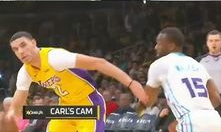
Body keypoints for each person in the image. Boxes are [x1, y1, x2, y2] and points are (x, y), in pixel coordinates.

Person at [7, 31, 148, 132]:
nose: (20, 51)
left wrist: (131, 83)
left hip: (88, 102)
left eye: (23, 45)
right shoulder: (25, 72)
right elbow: (19, 99)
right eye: (15, 49)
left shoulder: (55, 58)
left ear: (34, 42)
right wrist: (12, 114)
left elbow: (98, 63)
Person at [142, 27, 221, 132]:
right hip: (214, 120)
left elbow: (147, 101)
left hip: (191, 122)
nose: (156, 47)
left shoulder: (159, 64)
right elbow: (216, 98)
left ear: (171, 46)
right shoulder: (197, 64)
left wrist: (135, 114)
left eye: (159, 44)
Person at [197, 30, 221, 132]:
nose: (214, 43)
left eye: (217, 40)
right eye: (211, 41)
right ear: (207, 43)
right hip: (210, 98)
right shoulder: (199, 61)